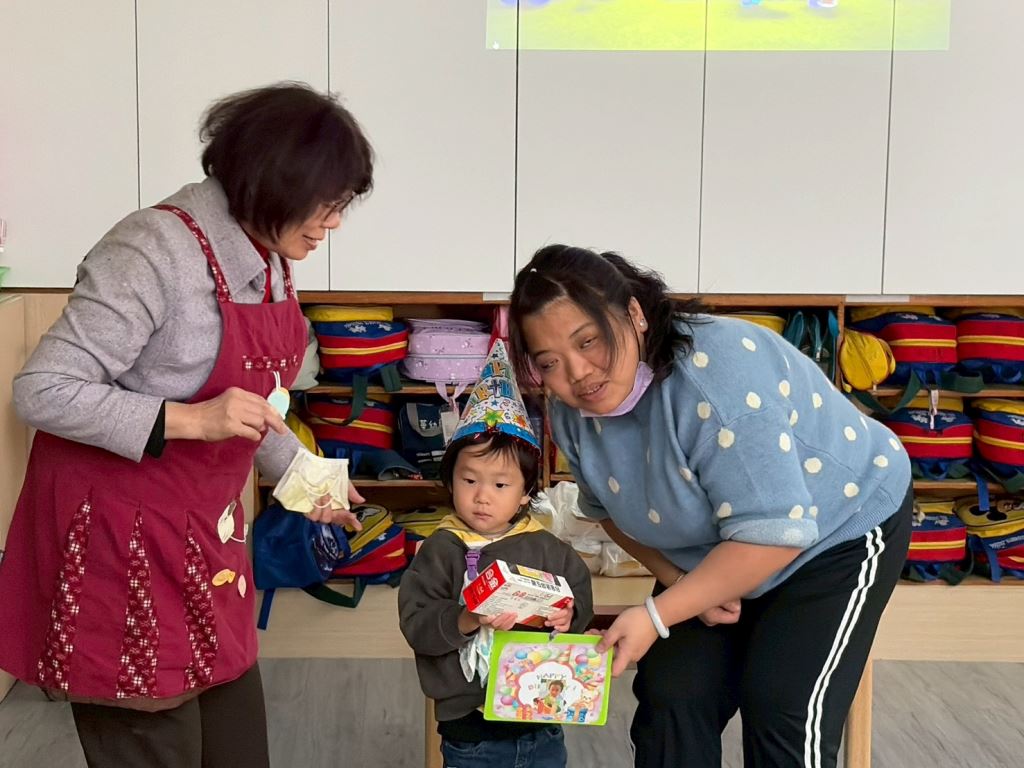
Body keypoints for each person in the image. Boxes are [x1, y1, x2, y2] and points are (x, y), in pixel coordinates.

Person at [0, 82, 373, 767]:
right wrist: (191, 419)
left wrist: (304, 476)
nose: (334, 223)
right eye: (326, 203)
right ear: (268, 183)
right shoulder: (151, 250)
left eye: (342, 203)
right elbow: (43, 391)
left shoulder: (270, 255)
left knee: (237, 746)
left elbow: (253, 402)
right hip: (119, 548)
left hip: (203, 540)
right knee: (152, 742)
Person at [508, 245, 912, 768]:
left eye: (589, 341)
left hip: (836, 531)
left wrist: (657, 615)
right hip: (718, 547)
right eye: (550, 363)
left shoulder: (717, 375)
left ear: (634, 314)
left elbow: (774, 535)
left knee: (782, 708)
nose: (578, 372)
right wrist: (678, 583)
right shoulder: (571, 413)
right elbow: (607, 509)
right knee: (672, 695)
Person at [399, 341, 594, 768]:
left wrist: (568, 615)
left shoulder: (548, 548)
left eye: (501, 485)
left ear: (525, 493)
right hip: (471, 731)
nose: (482, 496)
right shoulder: (441, 549)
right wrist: (466, 618)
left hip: (541, 719)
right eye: (469, 480)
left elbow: (579, 598)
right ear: (450, 481)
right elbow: (417, 624)